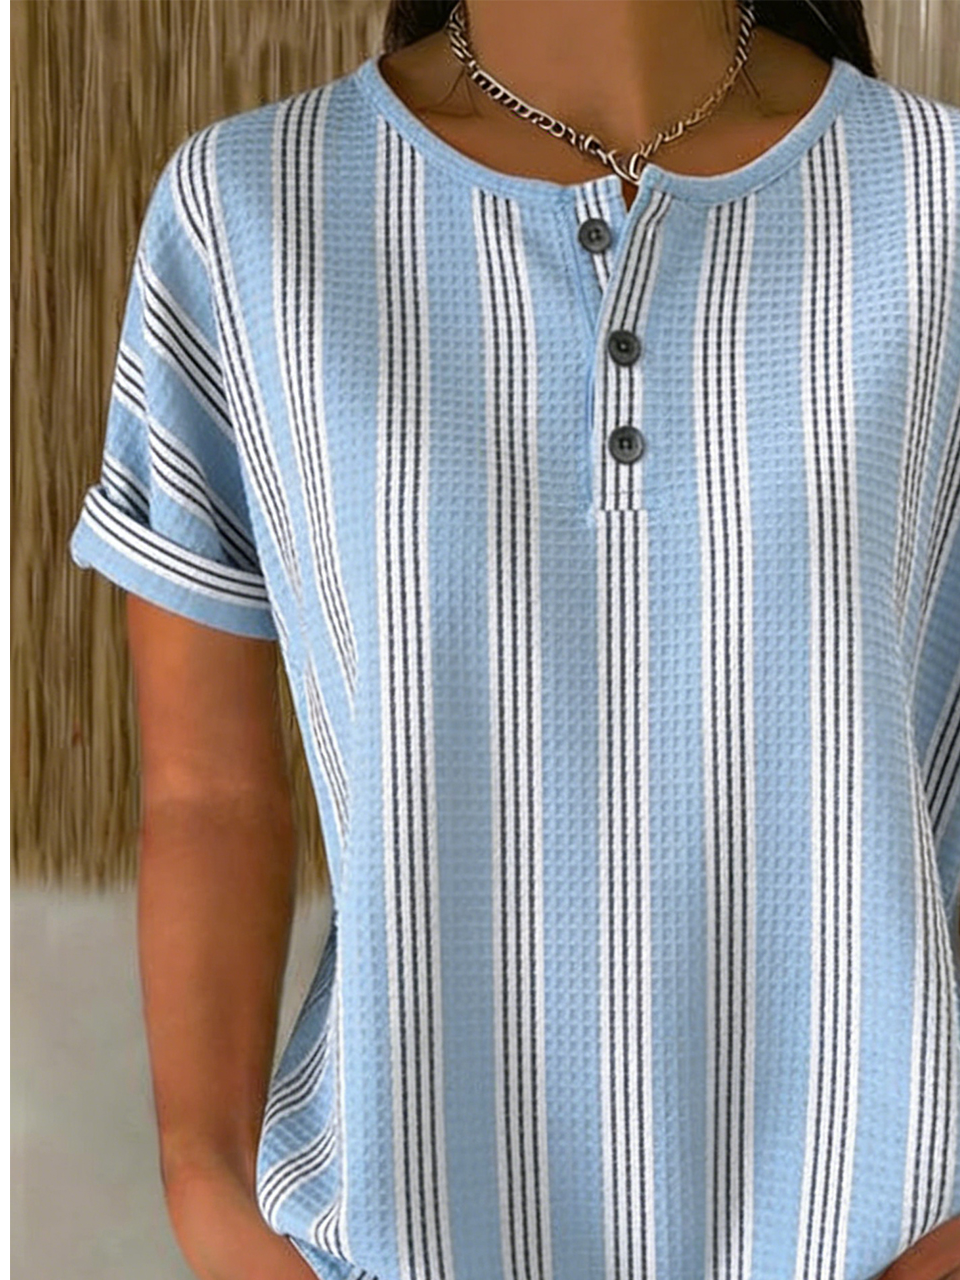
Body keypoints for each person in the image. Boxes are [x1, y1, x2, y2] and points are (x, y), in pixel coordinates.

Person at [68, 2, 960, 1277]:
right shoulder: (249, 210)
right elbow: (205, 790)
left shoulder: (938, 202)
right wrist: (210, 1191)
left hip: (884, 1237)